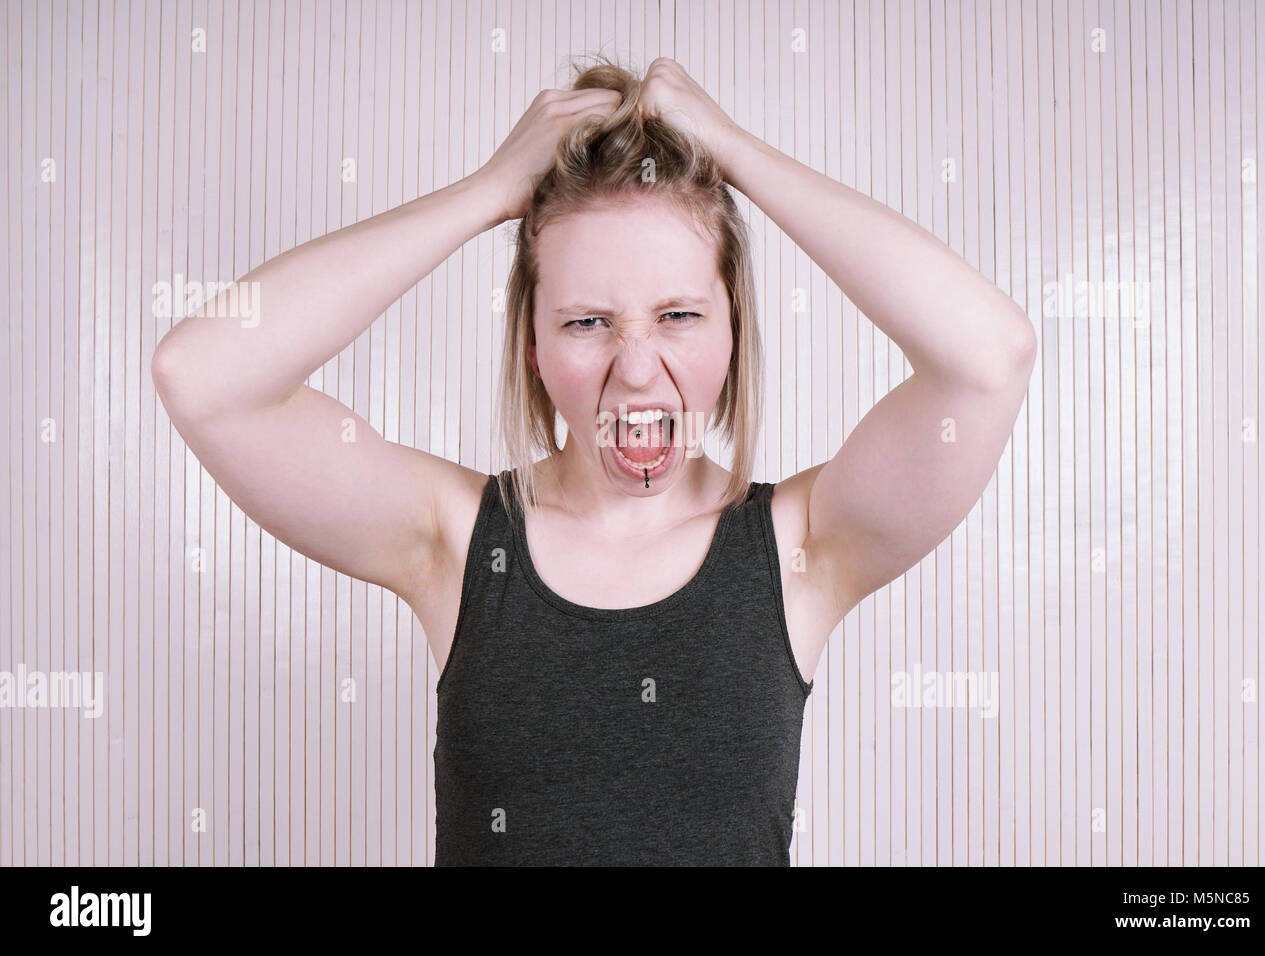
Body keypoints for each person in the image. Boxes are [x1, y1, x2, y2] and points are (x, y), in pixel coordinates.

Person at [150, 56, 1036, 866]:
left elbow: (990, 357)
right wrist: (487, 192)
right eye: (586, 322)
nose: (637, 367)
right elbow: (203, 375)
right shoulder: (456, 543)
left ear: (734, 330)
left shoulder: (803, 546)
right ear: (532, 344)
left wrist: (738, 153)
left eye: (680, 315)